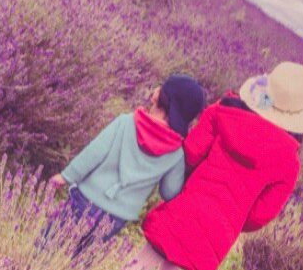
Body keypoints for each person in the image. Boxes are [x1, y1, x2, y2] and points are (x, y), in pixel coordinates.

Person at [102, 61, 303, 270]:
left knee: (150, 255)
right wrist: (233, 215)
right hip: (220, 226)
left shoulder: (223, 111)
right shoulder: (289, 162)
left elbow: (191, 151)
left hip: (190, 201)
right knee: (175, 262)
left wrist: (193, 183)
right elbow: (260, 215)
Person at [45, 75, 207, 257]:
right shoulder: (176, 153)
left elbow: (94, 153)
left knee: (48, 244)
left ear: (160, 96)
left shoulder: (126, 122)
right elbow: (169, 192)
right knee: (81, 259)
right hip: (116, 217)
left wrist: (67, 176)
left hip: (86, 199)